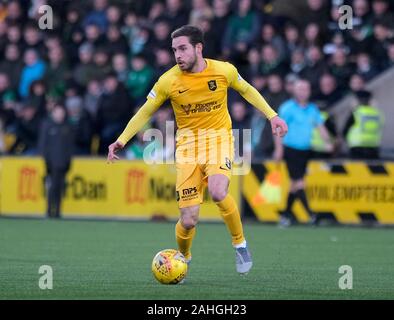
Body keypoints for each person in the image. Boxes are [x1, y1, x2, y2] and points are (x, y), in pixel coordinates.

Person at [107, 25, 287, 276]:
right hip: (188, 148)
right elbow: (146, 111)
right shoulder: (168, 80)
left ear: (198, 47)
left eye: (182, 49)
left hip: (219, 140)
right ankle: (185, 257)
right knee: (189, 220)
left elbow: (247, 90)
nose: (177, 55)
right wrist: (122, 139)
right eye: (174, 50)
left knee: (217, 190)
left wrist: (272, 116)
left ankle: (240, 244)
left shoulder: (224, 70)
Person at [274, 79, 333, 227]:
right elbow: (278, 129)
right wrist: (279, 149)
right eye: (300, 88)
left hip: (306, 150)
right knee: (300, 182)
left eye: (306, 89)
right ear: (294, 90)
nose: (303, 92)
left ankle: (286, 215)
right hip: (291, 149)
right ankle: (312, 215)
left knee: (294, 185)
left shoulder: (313, 109)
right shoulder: (287, 108)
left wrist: (328, 142)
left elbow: (320, 127)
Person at [39, 102, 74, 218]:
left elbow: (69, 146)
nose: (60, 115)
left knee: (60, 187)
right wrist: (46, 160)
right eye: (58, 112)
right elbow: (43, 145)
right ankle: (49, 211)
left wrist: (69, 161)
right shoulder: (47, 125)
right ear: (53, 113)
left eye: (61, 112)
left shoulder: (67, 127)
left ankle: (57, 211)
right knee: (52, 187)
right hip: (51, 162)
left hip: (63, 162)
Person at [343, 90, 384, 159]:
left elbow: (344, 131)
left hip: (357, 148)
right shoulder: (378, 114)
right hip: (373, 148)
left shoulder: (356, 113)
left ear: (357, 101)